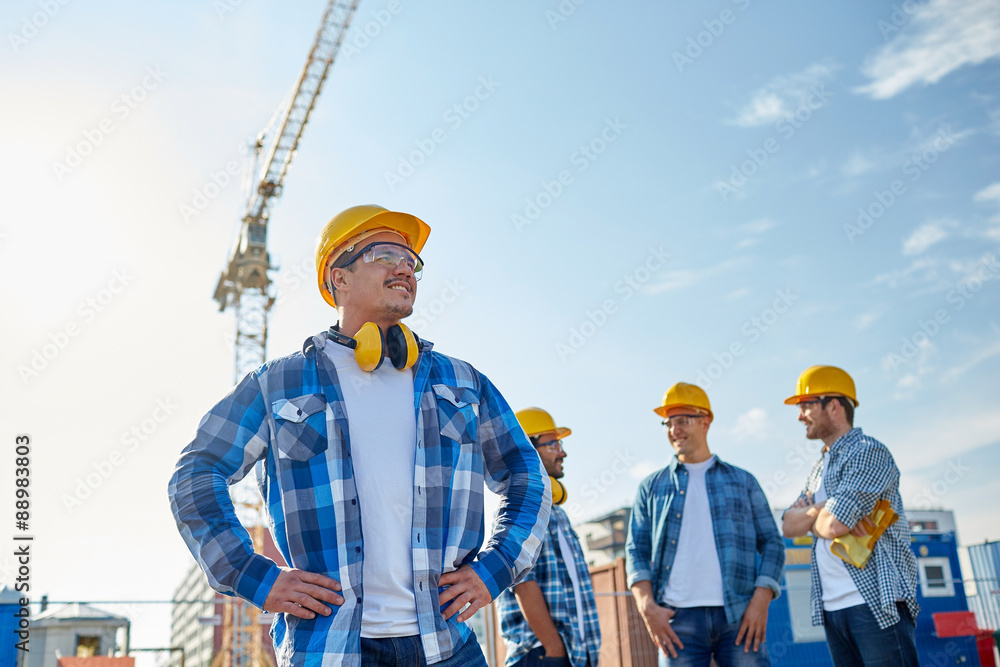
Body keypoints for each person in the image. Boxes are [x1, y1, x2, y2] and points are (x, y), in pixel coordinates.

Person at [168, 204, 551, 667]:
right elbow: (195, 473)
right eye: (386, 254)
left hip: (449, 648)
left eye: (412, 262)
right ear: (339, 278)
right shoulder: (276, 385)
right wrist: (253, 576)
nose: (405, 268)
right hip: (329, 651)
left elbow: (527, 475)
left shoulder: (464, 383)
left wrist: (496, 567)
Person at [626, 382, 784, 667]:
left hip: (739, 615)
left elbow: (772, 542)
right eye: (668, 423)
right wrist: (646, 606)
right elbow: (636, 549)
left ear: (706, 421)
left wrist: (762, 599)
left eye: (683, 421)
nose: (675, 430)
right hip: (676, 620)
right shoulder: (651, 487)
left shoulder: (743, 481)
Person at [780, 365, 919, 667]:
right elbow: (789, 525)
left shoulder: (868, 452)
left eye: (806, 405)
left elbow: (835, 524)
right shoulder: (819, 470)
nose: (799, 415)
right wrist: (820, 508)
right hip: (833, 608)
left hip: (872, 602)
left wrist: (816, 518)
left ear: (834, 406)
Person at [498, 408, 602, 667]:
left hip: (574, 654)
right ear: (530, 449)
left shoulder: (558, 513)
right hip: (543, 655)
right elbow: (523, 584)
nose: (562, 452)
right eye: (553, 444)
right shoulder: (520, 506)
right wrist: (554, 649)